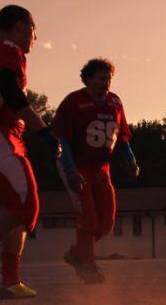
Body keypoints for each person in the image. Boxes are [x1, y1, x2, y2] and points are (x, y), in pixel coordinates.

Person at [0, 5, 61, 300]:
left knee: (20, 208)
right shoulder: (6, 48)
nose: (36, 35)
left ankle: (10, 279)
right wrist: (43, 130)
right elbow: (11, 92)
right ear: (19, 26)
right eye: (34, 28)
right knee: (23, 200)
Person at [52, 58, 138, 284]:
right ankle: (88, 268)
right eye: (101, 78)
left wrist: (130, 160)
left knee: (107, 221)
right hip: (77, 165)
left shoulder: (115, 102)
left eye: (109, 78)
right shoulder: (74, 101)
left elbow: (122, 137)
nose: (106, 82)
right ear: (88, 79)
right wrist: (70, 170)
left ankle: (78, 254)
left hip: (102, 168)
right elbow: (62, 139)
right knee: (88, 217)